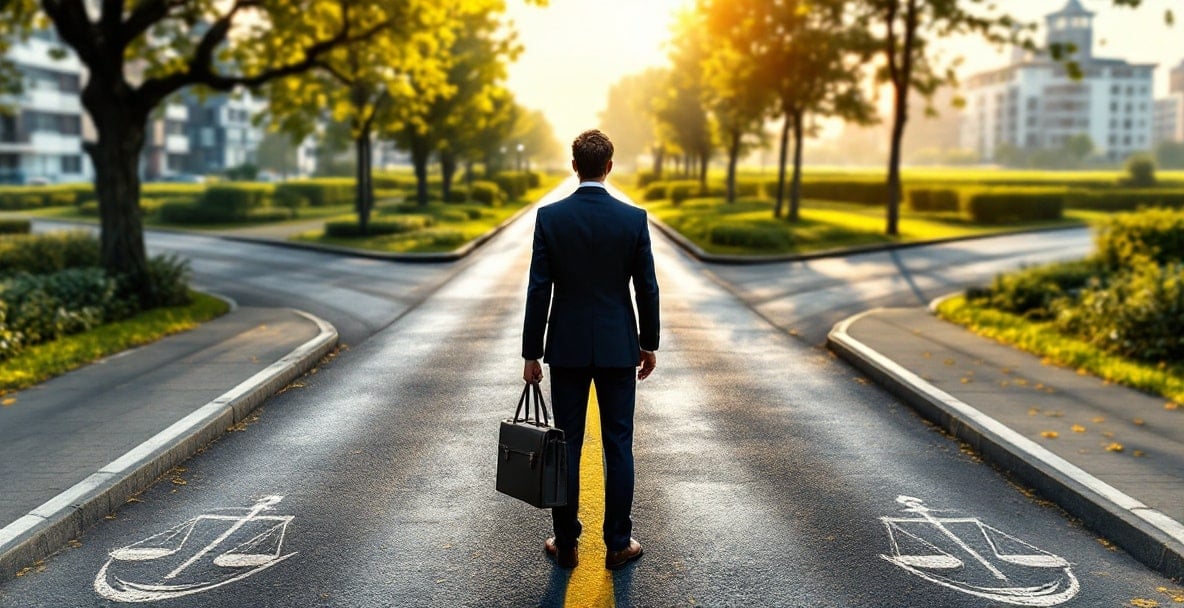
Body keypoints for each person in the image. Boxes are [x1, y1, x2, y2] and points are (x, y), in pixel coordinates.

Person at [521, 129, 660, 570]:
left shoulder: (551, 218)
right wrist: (648, 344)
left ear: (575, 166)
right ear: (610, 166)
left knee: (567, 447)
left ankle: (567, 544)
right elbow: (647, 289)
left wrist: (531, 353)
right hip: (620, 347)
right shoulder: (633, 219)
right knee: (619, 445)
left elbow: (538, 290)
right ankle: (618, 544)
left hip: (567, 349)